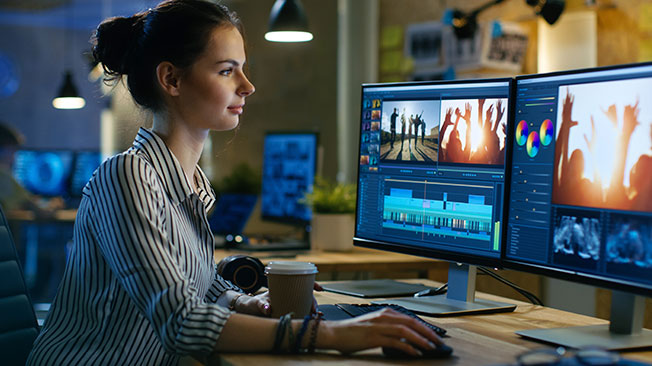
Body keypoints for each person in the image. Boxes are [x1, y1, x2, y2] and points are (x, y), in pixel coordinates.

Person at [27, 1, 443, 364]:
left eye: (242, 70)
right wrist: (337, 336)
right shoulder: (127, 176)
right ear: (171, 79)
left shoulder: (188, 184)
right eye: (228, 71)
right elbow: (182, 322)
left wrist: (254, 304)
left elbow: (201, 287)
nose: (248, 86)